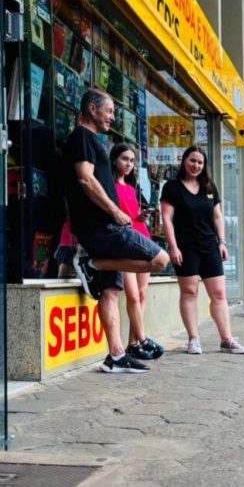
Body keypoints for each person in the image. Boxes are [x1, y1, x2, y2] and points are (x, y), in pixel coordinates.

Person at [66, 89, 169, 374]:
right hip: (103, 226)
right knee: (160, 260)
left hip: (101, 226)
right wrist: (114, 211)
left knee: (110, 291)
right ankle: (92, 263)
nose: (112, 116)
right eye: (109, 110)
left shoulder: (93, 140)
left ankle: (115, 356)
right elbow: (85, 181)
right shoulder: (82, 138)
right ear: (91, 108)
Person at [160, 145, 244, 355]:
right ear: (184, 161)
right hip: (185, 248)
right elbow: (167, 219)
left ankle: (226, 339)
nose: (196, 165)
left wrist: (222, 242)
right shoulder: (172, 187)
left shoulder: (209, 187)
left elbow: (217, 216)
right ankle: (193, 339)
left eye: (200, 162)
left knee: (218, 293)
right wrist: (173, 247)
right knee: (189, 292)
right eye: (192, 161)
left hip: (210, 246)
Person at [110, 143, 165, 361]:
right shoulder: (109, 186)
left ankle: (133, 344)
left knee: (141, 295)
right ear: (114, 159)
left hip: (142, 238)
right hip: (125, 243)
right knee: (132, 295)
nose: (129, 164)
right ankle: (143, 339)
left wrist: (141, 216)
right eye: (125, 159)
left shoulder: (132, 189)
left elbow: (130, 215)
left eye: (132, 161)